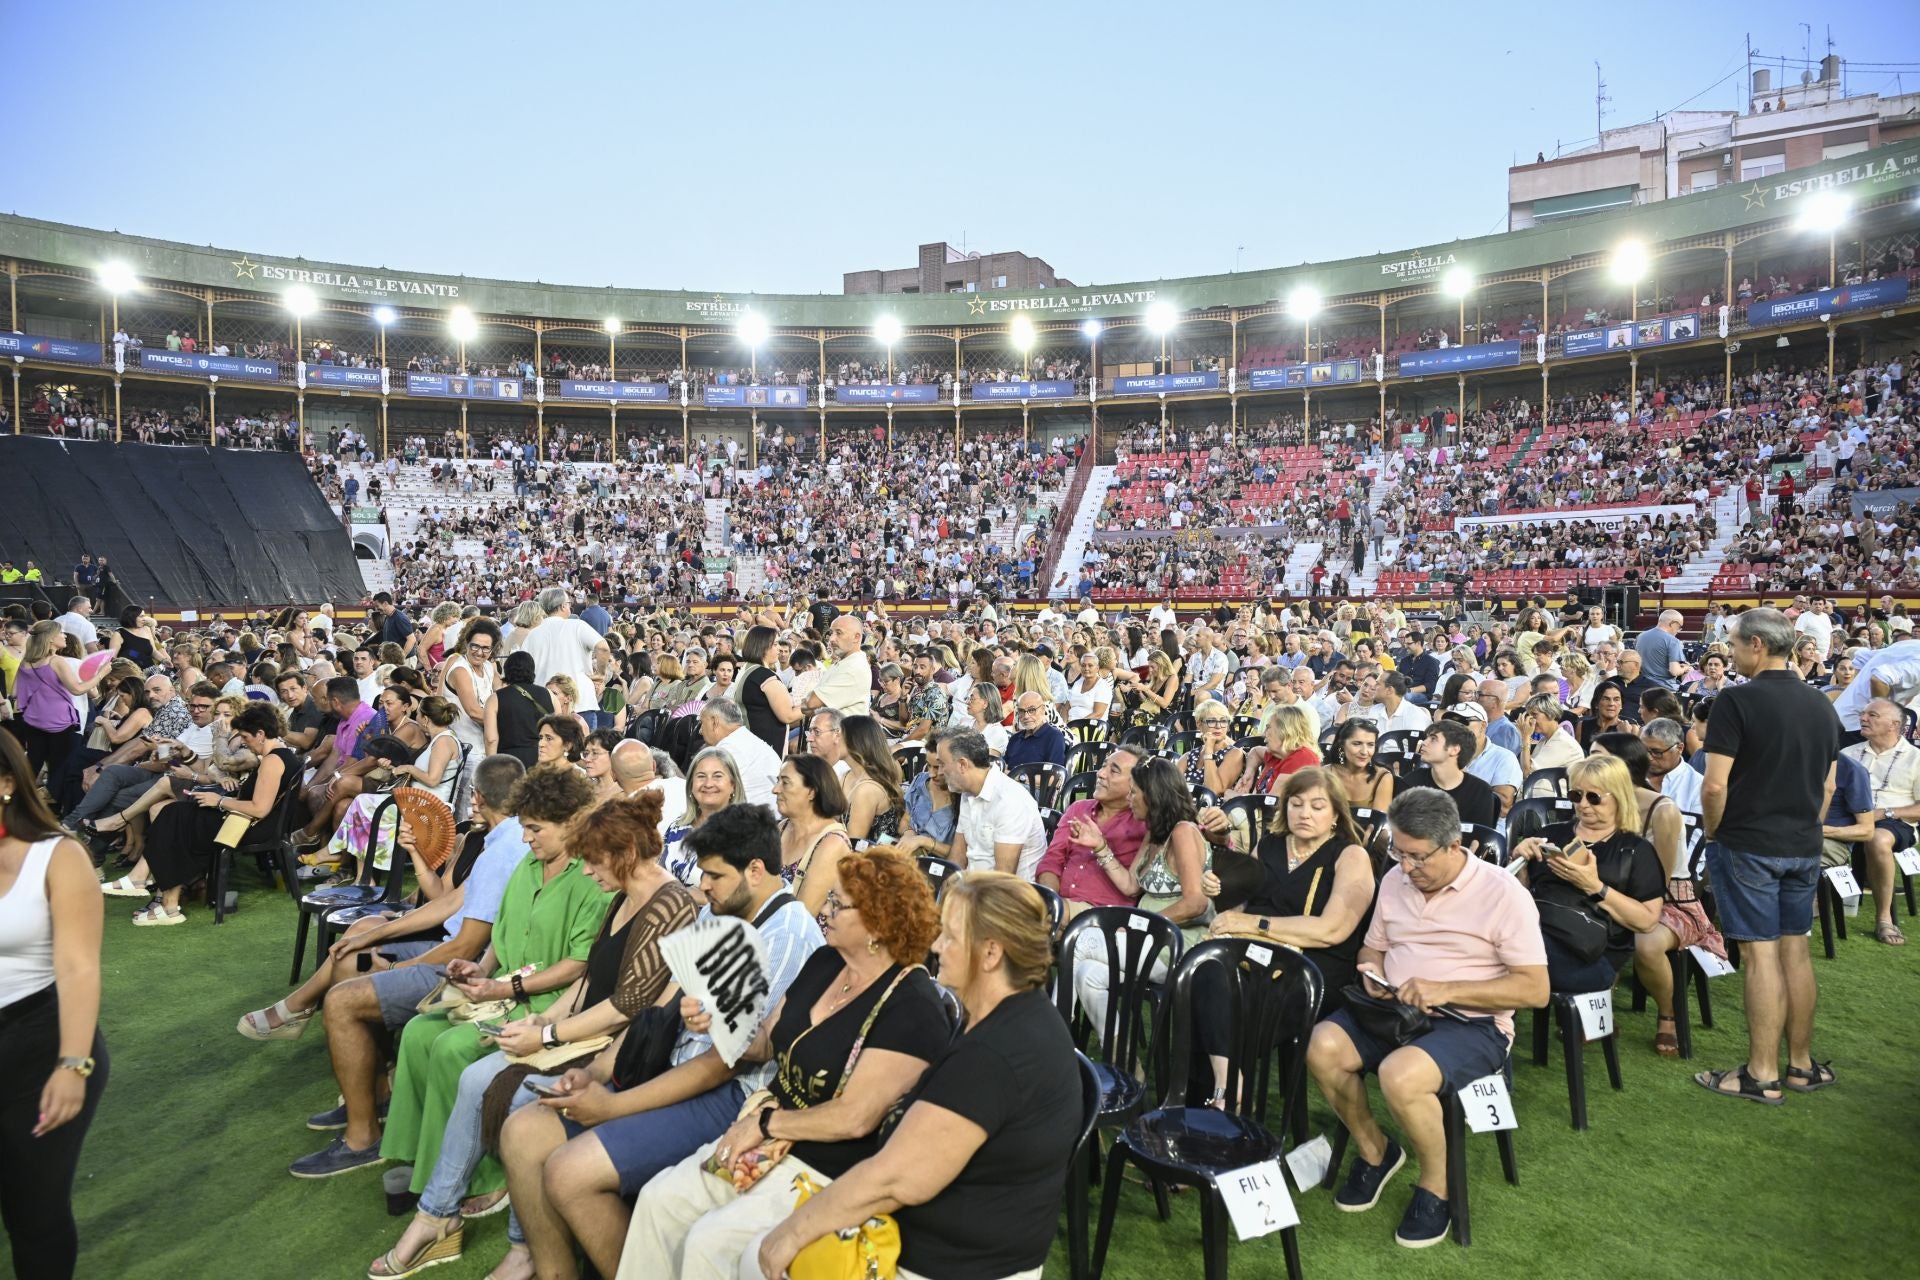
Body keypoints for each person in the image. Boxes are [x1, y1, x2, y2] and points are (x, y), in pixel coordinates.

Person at [367, 791, 698, 1279]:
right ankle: (436, 1215)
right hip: (583, 1032)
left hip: (613, 1050)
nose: (587, 872)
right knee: (475, 1079)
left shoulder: (670, 904)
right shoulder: (625, 895)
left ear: (624, 854)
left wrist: (546, 1037)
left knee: (516, 1098)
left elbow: (625, 1008)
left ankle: (522, 1246)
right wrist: (540, 1025)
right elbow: (589, 982)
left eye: (594, 861)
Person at [496, 804, 822, 1280]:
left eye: (714, 875)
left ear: (755, 870)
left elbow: (722, 1065)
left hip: (728, 1098)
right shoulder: (723, 913)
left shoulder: (785, 934)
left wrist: (612, 1107)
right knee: (522, 1132)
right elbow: (657, 1015)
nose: (702, 886)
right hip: (673, 1072)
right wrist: (594, 1072)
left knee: (570, 1172)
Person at [622, 849, 949, 1280]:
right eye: (828, 899)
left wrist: (766, 1125)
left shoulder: (913, 1007)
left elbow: (854, 1119)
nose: (824, 911)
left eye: (837, 904)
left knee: (709, 1243)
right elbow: (763, 1045)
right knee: (658, 1199)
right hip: (762, 1134)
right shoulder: (826, 962)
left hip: (824, 1166)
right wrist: (718, 1020)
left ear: (878, 922)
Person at [748, 871, 1080, 1280]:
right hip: (940, 1245)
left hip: (941, 1264)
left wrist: (790, 1234)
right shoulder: (1013, 1016)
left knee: (755, 1259)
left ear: (991, 953)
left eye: (951, 937)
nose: (937, 947)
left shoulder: (997, 1054)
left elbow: (895, 1180)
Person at [1308, 786, 1548, 1248]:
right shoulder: (1397, 879)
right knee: (1321, 1046)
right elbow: (1373, 946)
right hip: (1394, 1006)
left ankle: (1436, 1185)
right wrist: (1373, 972)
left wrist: (1447, 989)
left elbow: (1535, 990)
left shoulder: (1503, 893)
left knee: (1400, 1074)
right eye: (1400, 853)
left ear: (1453, 845)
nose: (1407, 867)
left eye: (1418, 857)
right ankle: (1376, 1151)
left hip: (1471, 1023)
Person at [358, 767, 612, 1189]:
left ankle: (481, 1176)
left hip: (547, 1004)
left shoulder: (590, 878)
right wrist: (483, 968)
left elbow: (577, 966)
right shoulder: (529, 865)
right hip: (503, 992)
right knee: (421, 1031)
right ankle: (425, 1151)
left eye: (534, 829)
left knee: (452, 1048)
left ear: (570, 823)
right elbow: (502, 928)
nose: (526, 838)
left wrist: (502, 986)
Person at [1697, 608, 1840, 1105]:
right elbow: (1828, 784)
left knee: (1760, 955)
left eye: (1734, 644)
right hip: (1803, 844)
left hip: (1749, 843)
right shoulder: (1822, 705)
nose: (1730, 652)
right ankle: (1800, 1065)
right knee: (1794, 950)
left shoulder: (1735, 700)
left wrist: (1715, 831)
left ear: (1757, 644)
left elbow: (1714, 785)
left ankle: (1762, 1073)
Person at [0, 732, 108, 1280]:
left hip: (40, 1042)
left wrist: (72, 1064)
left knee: (32, 1212)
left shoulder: (58, 856)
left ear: (4, 785)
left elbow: (79, 968)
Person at [129, 702, 298, 926]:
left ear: (260, 734)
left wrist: (219, 801)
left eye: (246, 738)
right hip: (248, 823)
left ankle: (160, 897)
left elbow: (260, 808)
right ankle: (163, 899)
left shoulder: (273, 760)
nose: (245, 743)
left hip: (252, 828)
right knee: (175, 813)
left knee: (176, 818)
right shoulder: (279, 757)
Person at [1508, 754, 1665, 993]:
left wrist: (1595, 887)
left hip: (1591, 953)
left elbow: (1647, 921)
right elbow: (1522, 895)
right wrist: (1520, 860)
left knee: (1508, 956)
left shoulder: (1635, 850)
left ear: (1619, 798)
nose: (1583, 804)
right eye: (1576, 795)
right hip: (1536, 931)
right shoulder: (1551, 834)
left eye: (1594, 797)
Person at [1839, 698, 1917, 946]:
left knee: (1877, 837)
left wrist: (1884, 813)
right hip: (1846, 816)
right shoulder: (1847, 753)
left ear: (1894, 724)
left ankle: (1884, 917)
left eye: (1872, 715)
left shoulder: (1915, 758)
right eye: (1863, 714)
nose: (1863, 718)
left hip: (1895, 821)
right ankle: (1814, 899)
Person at [1036, 745, 1148, 917]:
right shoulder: (1078, 809)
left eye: (1114, 771)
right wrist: (1050, 901)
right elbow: (1052, 860)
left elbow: (1133, 888)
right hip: (1060, 903)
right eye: (1103, 766)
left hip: (1102, 914)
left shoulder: (1143, 823)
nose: (1101, 774)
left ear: (1135, 784)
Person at [941, 730, 1047, 880]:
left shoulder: (1009, 800)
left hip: (1007, 896)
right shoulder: (967, 792)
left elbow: (1003, 877)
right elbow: (957, 857)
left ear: (962, 764)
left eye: (942, 764)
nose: (940, 771)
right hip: (972, 888)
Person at [774, 754, 852, 914]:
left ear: (812, 792)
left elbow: (802, 915)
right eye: (778, 781)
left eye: (785, 783)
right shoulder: (781, 828)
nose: (775, 789)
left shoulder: (832, 843)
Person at [1399, 720, 1500, 831]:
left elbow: (1480, 839)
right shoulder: (1411, 782)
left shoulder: (1481, 791)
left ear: (1454, 750)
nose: (1423, 742)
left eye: (1433, 739)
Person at [664, 748, 744, 885]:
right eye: (701, 776)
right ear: (691, 786)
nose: (708, 784)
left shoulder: (745, 833)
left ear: (733, 785)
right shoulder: (677, 826)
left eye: (717, 776)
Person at [519, 587, 612, 697]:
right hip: (580, 698)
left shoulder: (532, 634)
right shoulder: (577, 625)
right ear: (563, 606)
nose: (570, 605)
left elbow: (524, 668)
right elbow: (603, 647)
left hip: (545, 700)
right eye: (568, 603)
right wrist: (600, 674)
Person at [701, 698, 782, 810]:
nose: (700, 730)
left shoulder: (730, 747)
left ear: (714, 722)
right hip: (764, 817)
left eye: (702, 723)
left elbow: (708, 794)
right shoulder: (744, 740)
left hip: (753, 821)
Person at [734, 625, 802, 754]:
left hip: (750, 740)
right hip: (764, 747)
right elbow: (788, 716)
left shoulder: (747, 669)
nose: (779, 648)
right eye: (775, 644)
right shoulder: (764, 676)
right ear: (763, 646)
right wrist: (812, 705)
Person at [840, 715, 905, 844]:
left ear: (854, 742)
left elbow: (852, 843)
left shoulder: (866, 789)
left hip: (872, 860)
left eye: (838, 736)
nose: (834, 741)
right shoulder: (848, 775)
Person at [485, 651, 554, 767]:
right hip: (541, 758)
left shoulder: (495, 699)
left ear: (506, 670)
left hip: (508, 760)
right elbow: (558, 730)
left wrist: (491, 767)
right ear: (532, 670)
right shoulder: (549, 694)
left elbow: (491, 739)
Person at [1238, 704, 1320, 796]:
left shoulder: (1302, 757)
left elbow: (1272, 802)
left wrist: (1236, 798)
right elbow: (1255, 752)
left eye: (1268, 727)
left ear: (1284, 731)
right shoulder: (1279, 754)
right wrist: (1249, 773)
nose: (1264, 734)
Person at [806, 615, 872, 718]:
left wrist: (804, 701)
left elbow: (811, 703)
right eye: (832, 633)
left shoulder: (853, 668)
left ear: (856, 637)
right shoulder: (845, 662)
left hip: (841, 732)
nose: (831, 638)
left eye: (839, 633)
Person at [1517, 693, 1585, 792]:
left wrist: (1525, 737)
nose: (1530, 719)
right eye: (1529, 714)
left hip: (1553, 801)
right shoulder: (1545, 740)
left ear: (1551, 714)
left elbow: (1528, 772)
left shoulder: (1562, 742)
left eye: (1534, 714)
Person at [1326, 719, 1394, 814]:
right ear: (1342, 745)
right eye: (1357, 744)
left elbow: (1379, 823)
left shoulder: (1382, 777)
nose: (1364, 752)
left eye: (1370, 745)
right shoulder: (1325, 774)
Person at [1182, 702, 1246, 795]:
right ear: (1199, 724)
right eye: (1212, 721)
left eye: (1223, 721)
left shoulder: (1235, 753)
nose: (1218, 726)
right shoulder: (1190, 755)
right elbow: (1169, 786)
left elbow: (1214, 791)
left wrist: (1209, 749)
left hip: (1214, 808)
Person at [1001, 693, 1066, 770]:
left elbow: (1054, 776)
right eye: (1021, 711)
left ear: (1043, 709)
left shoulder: (1054, 737)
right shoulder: (1015, 738)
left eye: (1032, 710)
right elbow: (1003, 767)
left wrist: (1018, 776)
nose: (1026, 716)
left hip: (1029, 781)